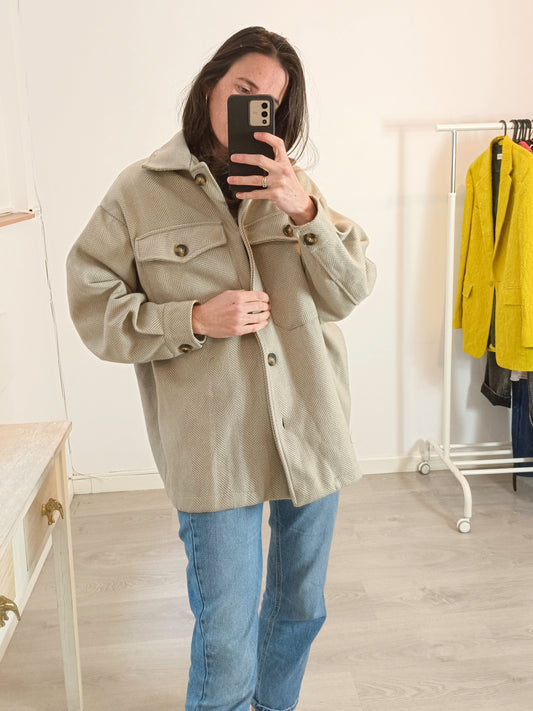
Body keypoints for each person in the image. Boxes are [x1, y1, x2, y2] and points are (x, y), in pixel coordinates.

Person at [67, 26, 376, 711]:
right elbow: (92, 307)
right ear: (211, 85)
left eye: (271, 101)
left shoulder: (292, 187)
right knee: (226, 632)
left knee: (301, 607)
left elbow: (350, 291)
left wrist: (303, 210)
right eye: (244, 89)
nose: (254, 107)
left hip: (309, 428)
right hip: (215, 447)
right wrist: (194, 319)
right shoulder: (139, 190)